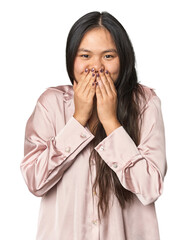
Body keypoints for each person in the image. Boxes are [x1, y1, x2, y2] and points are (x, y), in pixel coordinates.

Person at [20, 11, 167, 240]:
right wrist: (78, 120)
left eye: (108, 56)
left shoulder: (145, 104)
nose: (96, 67)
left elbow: (150, 189)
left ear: (123, 58)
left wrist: (111, 123)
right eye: (85, 55)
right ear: (72, 59)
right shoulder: (51, 104)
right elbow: (35, 182)